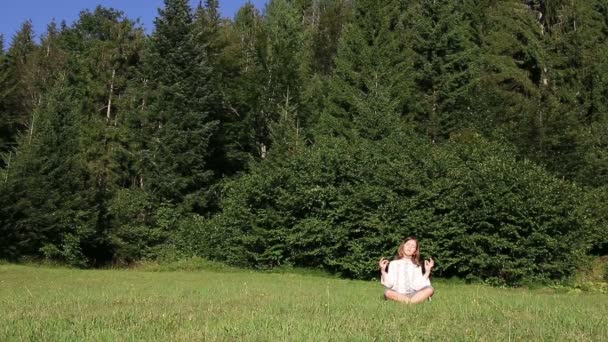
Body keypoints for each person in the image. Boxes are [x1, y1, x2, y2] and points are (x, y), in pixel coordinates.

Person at [379, 237, 434, 304]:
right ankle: (411, 302)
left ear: (415, 251)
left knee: (430, 289)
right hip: (397, 294)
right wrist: (383, 270)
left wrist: (427, 271)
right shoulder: (393, 263)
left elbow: (418, 286)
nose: (410, 247)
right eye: (408, 244)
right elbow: (390, 284)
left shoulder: (417, 266)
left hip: (413, 294)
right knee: (387, 292)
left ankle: (409, 302)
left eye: (413, 246)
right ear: (402, 247)